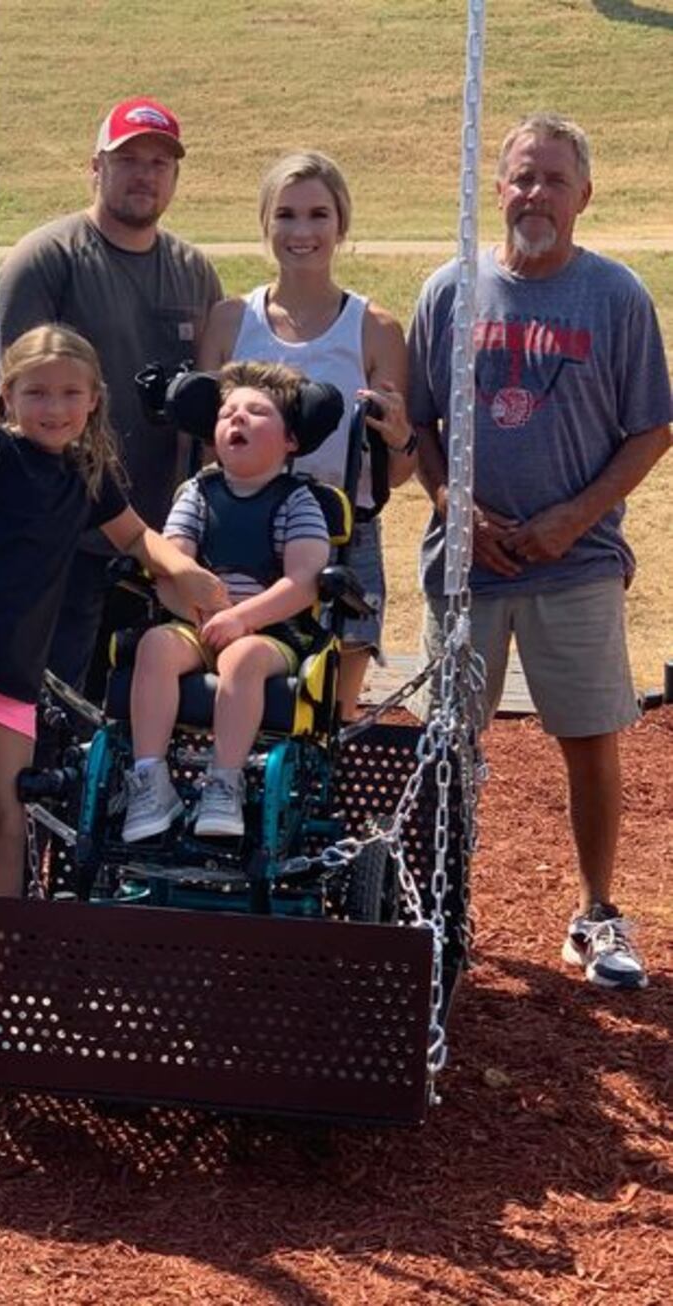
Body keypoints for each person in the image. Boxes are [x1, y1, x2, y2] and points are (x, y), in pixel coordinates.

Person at [408, 112, 671, 990]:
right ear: (499, 186)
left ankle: (597, 912)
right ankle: (437, 907)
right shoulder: (451, 289)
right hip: (467, 563)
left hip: (579, 560)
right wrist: (456, 505)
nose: (536, 194)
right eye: (522, 176)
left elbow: (651, 429)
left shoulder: (616, 297)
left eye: (555, 180)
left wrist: (572, 516)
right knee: (451, 742)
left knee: (590, 736)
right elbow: (417, 424)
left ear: (584, 196)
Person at [0, 326, 226, 894]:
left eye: (71, 394)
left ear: (95, 398)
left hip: (12, 670)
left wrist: (185, 570)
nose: (55, 408)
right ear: (8, 395)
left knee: (9, 817)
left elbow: (134, 537)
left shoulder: (85, 472)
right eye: (37, 393)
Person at [0, 96, 223, 698]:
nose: (144, 174)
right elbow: (5, 401)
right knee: (52, 702)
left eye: (159, 162)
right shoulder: (48, 259)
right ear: (95, 167)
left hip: (161, 538)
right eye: (128, 160)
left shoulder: (194, 271)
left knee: (141, 712)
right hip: (63, 537)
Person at [198, 151, 417, 720]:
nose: (302, 232)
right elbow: (205, 450)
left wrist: (398, 437)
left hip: (345, 533)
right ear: (265, 224)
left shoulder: (374, 328)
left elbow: (395, 470)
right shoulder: (228, 322)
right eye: (286, 215)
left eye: (319, 215)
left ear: (341, 225)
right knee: (239, 696)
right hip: (243, 531)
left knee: (329, 713)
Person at [123, 360, 337, 842]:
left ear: (291, 441)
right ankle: (149, 780)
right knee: (155, 646)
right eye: (227, 412)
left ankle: (225, 781)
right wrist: (204, 614)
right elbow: (172, 566)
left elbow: (303, 583)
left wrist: (240, 618)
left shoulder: (298, 501)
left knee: (240, 656)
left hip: (273, 634)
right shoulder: (197, 494)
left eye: (256, 412)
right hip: (197, 622)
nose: (236, 419)